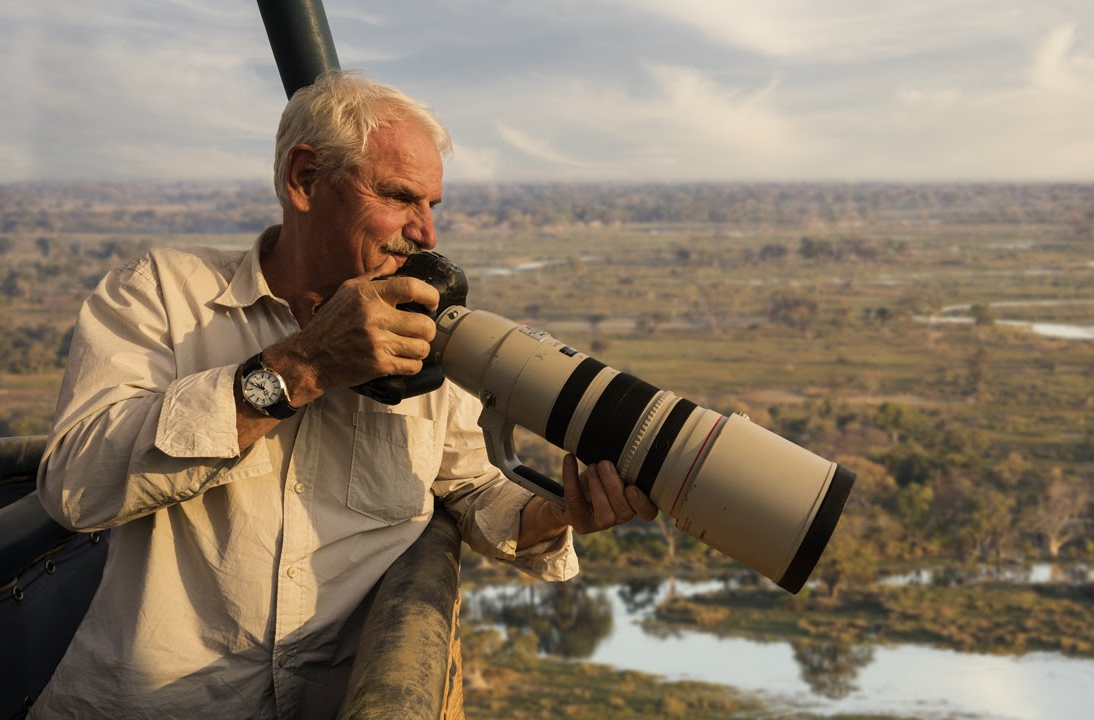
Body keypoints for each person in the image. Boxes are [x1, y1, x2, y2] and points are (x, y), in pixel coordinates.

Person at [32, 70, 657, 719]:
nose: (427, 234)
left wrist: (563, 507)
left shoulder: (430, 337)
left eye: (432, 205)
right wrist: (300, 368)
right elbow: (77, 483)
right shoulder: (162, 294)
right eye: (398, 197)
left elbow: (472, 490)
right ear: (303, 179)